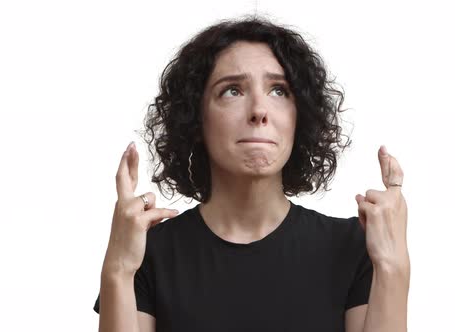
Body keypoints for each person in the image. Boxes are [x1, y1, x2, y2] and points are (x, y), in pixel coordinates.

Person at [93, 14, 410, 332]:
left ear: (299, 117)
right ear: (195, 118)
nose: (259, 110)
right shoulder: (151, 254)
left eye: (279, 91)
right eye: (232, 91)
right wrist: (118, 269)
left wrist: (393, 265)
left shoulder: (352, 247)